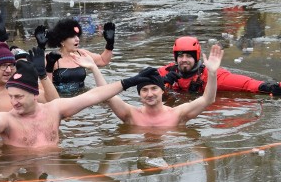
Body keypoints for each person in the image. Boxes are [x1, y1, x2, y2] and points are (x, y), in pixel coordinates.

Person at [0, 59, 160, 148]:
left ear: (35, 95)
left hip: (57, 163)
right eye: (11, 96)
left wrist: (128, 82)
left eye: (19, 97)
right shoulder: (6, 119)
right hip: (17, 164)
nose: (13, 102)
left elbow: (93, 96)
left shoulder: (55, 109)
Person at [81, 45, 224, 127]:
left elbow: (208, 99)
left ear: (162, 90)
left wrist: (212, 72)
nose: (149, 94)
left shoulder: (178, 114)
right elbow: (107, 96)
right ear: (139, 95)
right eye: (144, 90)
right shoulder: (130, 115)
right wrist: (94, 68)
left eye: (154, 88)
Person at [157, 36, 281, 96]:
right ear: (175, 57)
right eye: (180, 56)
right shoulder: (165, 72)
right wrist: (160, 84)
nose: (184, 60)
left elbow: (245, 84)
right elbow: (142, 85)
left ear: (196, 57)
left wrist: (270, 87)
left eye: (189, 56)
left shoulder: (211, 75)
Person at [45, 19, 115, 95]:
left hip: (82, 97)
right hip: (61, 99)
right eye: (72, 36)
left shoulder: (82, 54)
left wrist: (110, 44)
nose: (77, 39)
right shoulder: (51, 58)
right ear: (62, 41)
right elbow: (44, 87)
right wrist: (49, 67)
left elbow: (103, 60)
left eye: (77, 36)